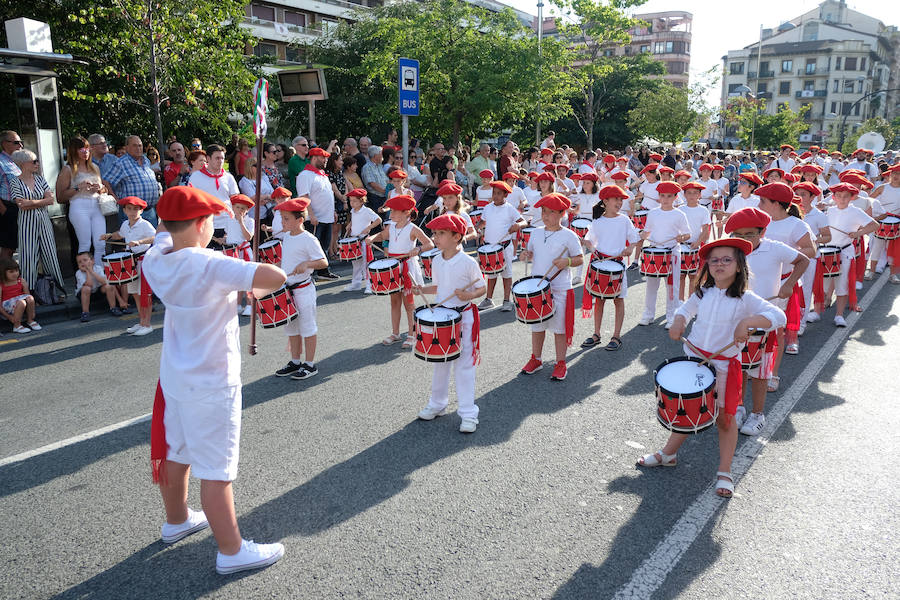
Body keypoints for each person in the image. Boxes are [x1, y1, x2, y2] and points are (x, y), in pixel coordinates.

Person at [142, 186, 286, 574]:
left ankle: (176, 521)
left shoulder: (155, 259)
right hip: (213, 381)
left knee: (176, 450)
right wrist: (251, 286)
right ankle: (231, 550)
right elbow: (276, 275)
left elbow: (163, 235)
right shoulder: (212, 263)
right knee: (217, 470)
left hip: (175, 377)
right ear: (202, 224)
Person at [638, 237, 785, 498]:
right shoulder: (702, 292)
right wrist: (679, 321)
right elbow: (685, 310)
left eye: (727, 260)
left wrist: (747, 323)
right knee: (687, 410)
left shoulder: (746, 299)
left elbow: (778, 316)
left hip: (724, 367)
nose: (719, 264)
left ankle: (725, 471)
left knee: (725, 420)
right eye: (714, 260)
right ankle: (668, 454)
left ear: (739, 266)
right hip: (694, 361)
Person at [725, 208, 807, 436]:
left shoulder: (774, 248)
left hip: (766, 321)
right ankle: (739, 406)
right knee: (739, 367)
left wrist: (789, 284)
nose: (744, 239)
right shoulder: (732, 250)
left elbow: (803, 260)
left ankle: (758, 414)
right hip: (737, 319)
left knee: (760, 373)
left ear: (762, 232)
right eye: (738, 234)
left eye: (750, 234)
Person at [413, 214, 487, 433]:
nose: (435, 237)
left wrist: (469, 295)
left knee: (464, 367)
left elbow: (481, 287)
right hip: (443, 319)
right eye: (435, 233)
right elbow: (439, 287)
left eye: (441, 233)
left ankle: (468, 414)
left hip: (464, 318)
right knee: (440, 364)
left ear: (457, 237)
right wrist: (421, 289)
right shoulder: (436, 260)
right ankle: (437, 404)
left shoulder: (468, 262)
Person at [755, 182, 815, 386]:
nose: (759, 204)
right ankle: (754, 367)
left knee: (775, 331)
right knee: (754, 328)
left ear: (776, 204)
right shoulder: (760, 220)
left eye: (763, 201)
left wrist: (785, 254)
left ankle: (772, 373)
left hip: (781, 284)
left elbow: (811, 250)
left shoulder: (796, 225)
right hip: (757, 282)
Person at [519, 193, 583, 381]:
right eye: (543, 211)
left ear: (563, 214)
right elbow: (531, 253)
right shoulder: (536, 232)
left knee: (559, 328)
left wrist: (567, 261)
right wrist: (525, 255)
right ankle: (536, 359)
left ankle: (560, 362)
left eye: (551, 212)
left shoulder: (569, 236)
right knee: (537, 326)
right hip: (538, 287)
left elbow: (580, 258)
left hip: (560, 288)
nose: (546, 215)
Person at [267, 196, 328, 381]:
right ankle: (295, 361)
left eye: (286, 218)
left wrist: (307, 264)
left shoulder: (309, 239)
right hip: (288, 290)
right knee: (291, 328)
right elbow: (287, 260)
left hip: (303, 290)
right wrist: (273, 267)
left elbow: (323, 262)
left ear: (300, 220)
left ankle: (309, 364)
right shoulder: (286, 236)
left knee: (307, 327)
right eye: (282, 218)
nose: (282, 222)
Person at [364, 194, 433, 349]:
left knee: (409, 303)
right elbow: (382, 235)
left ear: (406, 212)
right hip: (394, 266)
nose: (391, 214)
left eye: (395, 211)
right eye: (391, 210)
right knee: (394, 301)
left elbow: (429, 244)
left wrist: (418, 249)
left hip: (407, 267)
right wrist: (372, 238)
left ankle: (412, 334)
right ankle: (395, 333)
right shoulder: (391, 226)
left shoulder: (413, 228)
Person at [581, 185, 640, 351]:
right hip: (600, 264)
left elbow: (634, 239)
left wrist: (630, 248)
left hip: (617, 266)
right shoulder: (598, 222)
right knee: (599, 300)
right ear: (605, 201)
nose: (620, 202)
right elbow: (590, 241)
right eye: (616, 199)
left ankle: (616, 336)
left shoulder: (624, 220)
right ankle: (596, 334)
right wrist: (590, 247)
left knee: (618, 300)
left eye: (621, 200)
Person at [9, 149, 65, 291]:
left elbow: (51, 200)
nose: (37, 164)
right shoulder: (15, 181)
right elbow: (21, 205)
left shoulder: (40, 179)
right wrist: (41, 201)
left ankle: (56, 290)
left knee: (50, 254)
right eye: (33, 161)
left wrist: (30, 202)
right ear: (23, 163)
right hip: (26, 223)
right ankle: (29, 291)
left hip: (44, 221)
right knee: (28, 257)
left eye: (37, 161)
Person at [824, 183, 879, 326]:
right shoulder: (830, 211)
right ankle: (819, 309)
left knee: (842, 284)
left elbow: (875, 225)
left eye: (845, 196)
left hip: (845, 251)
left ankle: (839, 315)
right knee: (824, 283)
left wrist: (858, 233)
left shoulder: (855, 211)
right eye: (839, 196)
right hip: (828, 251)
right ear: (834, 197)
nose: (842, 199)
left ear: (851, 198)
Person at [100, 196, 157, 334]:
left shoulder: (145, 224)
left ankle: (147, 324)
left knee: (145, 294)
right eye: (129, 209)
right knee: (135, 294)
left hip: (143, 261)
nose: (132, 212)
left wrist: (140, 242)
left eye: (136, 209)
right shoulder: (125, 224)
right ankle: (141, 322)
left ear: (141, 211)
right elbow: (120, 234)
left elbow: (155, 237)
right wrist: (109, 235)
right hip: (131, 261)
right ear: (124, 211)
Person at [638, 181, 691, 328]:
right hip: (655, 251)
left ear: (675, 197)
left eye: (669, 196)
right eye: (662, 196)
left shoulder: (679, 214)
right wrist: (642, 234)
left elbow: (688, 234)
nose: (665, 199)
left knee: (672, 286)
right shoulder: (653, 213)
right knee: (651, 286)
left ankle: (671, 317)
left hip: (672, 252)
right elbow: (647, 231)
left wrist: (682, 237)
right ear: (659, 197)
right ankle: (648, 315)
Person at [56, 136, 110, 266]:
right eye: (81, 149)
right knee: (85, 244)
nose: (85, 151)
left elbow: (104, 191)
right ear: (74, 151)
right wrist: (78, 188)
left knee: (100, 243)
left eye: (87, 148)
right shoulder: (68, 169)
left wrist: (100, 188)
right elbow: (60, 197)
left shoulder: (94, 167)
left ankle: (99, 273)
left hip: (97, 206)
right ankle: (85, 275)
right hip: (79, 207)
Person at [477, 181, 525, 311]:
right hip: (490, 246)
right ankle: (488, 299)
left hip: (505, 246)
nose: (495, 196)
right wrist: (477, 228)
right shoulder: (488, 208)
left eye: (499, 193)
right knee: (491, 274)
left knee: (506, 273)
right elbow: (482, 222)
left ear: (505, 195)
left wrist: (518, 225)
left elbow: (523, 222)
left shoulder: (510, 208)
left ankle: (507, 300)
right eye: (494, 193)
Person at [296, 146, 339, 280]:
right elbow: (304, 197)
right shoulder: (305, 175)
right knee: (314, 247)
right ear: (314, 158)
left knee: (323, 246)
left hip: (326, 216)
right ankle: (310, 274)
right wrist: (311, 215)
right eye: (323, 158)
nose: (326, 160)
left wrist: (333, 211)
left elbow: (328, 194)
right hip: (315, 218)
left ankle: (323, 271)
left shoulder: (322, 175)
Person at [793, 182, 832, 327]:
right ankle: (790, 321)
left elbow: (827, 237)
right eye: (797, 194)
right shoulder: (791, 212)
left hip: (809, 257)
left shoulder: (819, 215)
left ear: (812, 197)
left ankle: (801, 324)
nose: (799, 197)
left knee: (805, 290)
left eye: (803, 194)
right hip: (792, 256)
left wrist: (813, 240)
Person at [188, 144, 239, 249]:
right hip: (205, 225)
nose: (220, 161)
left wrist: (235, 223)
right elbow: (191, 201)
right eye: (217, 158)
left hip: (227, 225)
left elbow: (236, 200)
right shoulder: (196, 177)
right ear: (208, 159)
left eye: (222, 158)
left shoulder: (229, 177)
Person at [104, 135, 161, 226]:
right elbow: (106, 181)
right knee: (132, 235)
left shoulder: (146, 161)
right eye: (134, 145)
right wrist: (116, 200)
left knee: (152, 235)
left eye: (140, 145)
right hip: (131, 213)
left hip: (150, 211)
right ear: (127, 148)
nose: (138, 148)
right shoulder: (121, 163)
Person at [221, 194, 255, 316]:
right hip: (232, 252)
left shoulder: (250, 221)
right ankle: (238, 304)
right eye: (237, 207)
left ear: (247, 210)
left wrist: (241, 222)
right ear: (233, 207)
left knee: (247, 278)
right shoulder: (228, 220)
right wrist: (224, 239)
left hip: (244, 251)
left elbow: (248, 237)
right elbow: (228, 235)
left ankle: (250, 304)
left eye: (243, 208)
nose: (240, 210)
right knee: (235, 279)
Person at [677, 181, 712, 300]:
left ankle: (691, 301)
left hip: (696, 246)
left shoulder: (703, 210)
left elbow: (705, 229)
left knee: (694, 276)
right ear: (684, 195)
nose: (692, 195)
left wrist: (697, 242)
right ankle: (680, 301)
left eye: (695, 193)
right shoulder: (680, 209)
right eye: (689, 193)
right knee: (681, 276)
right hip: (681, 246)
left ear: (700, 195)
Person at [343, 188, 381, 293]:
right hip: (354, 240)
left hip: (364, 241)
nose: (352, 203)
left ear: (362, 201)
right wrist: (350, 224)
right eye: (350, 201)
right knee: (356, 264)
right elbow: (355, 219)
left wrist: (369, 227)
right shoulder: (353, 211)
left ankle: (369, 285)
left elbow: (378, 220)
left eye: (354, 201)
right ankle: (356, 284)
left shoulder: (367, 211)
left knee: (365, 264)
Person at [867, 165, 900, 282]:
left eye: (899, 174)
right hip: (881, 221)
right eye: (894, 173)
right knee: (877, 248)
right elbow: (869, 201)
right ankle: (871, 272)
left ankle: (893, 275)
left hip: (896, 224)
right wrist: (875, 214)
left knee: (893, 251)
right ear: (890, 174)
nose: (896, 176)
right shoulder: (882, 187)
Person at [73, 251, 120, 322]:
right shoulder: (78, 273)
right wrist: (88, 271)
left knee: (109, 286)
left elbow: (104, 281)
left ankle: (113, 308)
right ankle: (85, 312)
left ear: (92, 261)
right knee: (86, 288)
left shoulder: (98, 268)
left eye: (85, 260)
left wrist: (92, 271)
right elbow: (89, 284)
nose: (82, 263)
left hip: (98, 291)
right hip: (84, 294)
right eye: (79, 262)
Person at [0, 257, 41, 333]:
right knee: (22, 302)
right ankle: (17, 325)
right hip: (7, 305)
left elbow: (27, 295)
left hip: (20, 302)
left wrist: (31, 308)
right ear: (3, 273)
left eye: (16, 271)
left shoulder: (21, 281)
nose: (15, 273)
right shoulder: (1, 285)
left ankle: (30, 320)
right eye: (11, 272)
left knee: (30, 298)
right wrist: (9, 317)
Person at [0, 131, 23, 259]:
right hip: (7, 208)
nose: (20, 145)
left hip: (21, 208)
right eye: (16, 142)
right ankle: (4, 272)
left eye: (21, 142)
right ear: (4, 144)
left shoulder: (16, 161)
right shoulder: (1, 162)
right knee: (8, 248)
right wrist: (4, 211)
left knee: (19, 245)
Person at [237, 157, 274, 224]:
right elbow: (253, 197)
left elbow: (273, 193)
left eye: (261, 165)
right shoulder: (245, 181)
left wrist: (265, 198)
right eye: (257, 165)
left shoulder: (264, 177)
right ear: (249, 167)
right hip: (255, 216)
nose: (260, 167)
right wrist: (268, 196)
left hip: (269, 212)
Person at [361, 145, 389, 214]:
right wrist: (385, 192)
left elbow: (386, 180)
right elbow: (372, 184)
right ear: (375, 156)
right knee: (377, 217)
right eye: (380, 154)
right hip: (375, 198)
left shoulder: (379, 166)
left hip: (383, 197)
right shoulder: (367, 167)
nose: (382, 156)